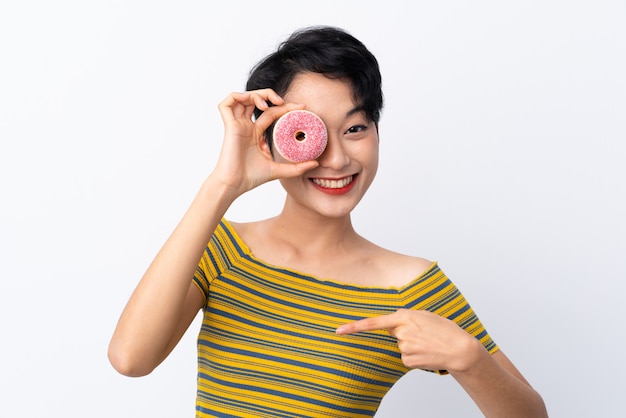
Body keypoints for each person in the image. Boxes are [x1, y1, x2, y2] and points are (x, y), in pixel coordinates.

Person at [108, 26, 547, 417]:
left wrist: (469, 359)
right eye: (308, 132)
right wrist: (223, 185)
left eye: (355, 128)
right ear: (270, 140)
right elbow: (131, 359)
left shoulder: (408, 286)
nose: (336, 159)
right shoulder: (222, 251)